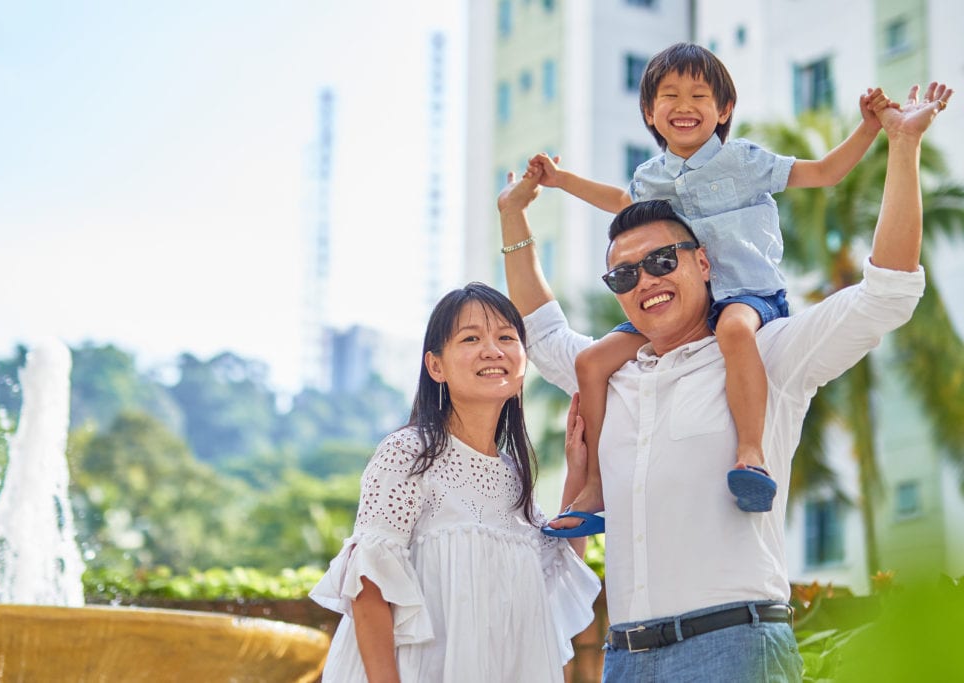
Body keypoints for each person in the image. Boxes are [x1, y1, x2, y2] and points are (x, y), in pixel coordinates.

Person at [497, 83, 951, 681]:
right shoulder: (616, 374)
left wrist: (901, 145)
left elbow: (885, 293)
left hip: (734, 649)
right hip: (625, 658)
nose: (645, 281)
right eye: (624, 275)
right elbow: (543, 333)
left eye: (663, 261)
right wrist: (513, 213)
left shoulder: (767, 354)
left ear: (703, 262)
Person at [527, 43, 893, 530]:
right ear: (649, 113)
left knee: (735, 333)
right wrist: (561, 179)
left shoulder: (745, 160)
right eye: (670, 95)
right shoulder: (649, 177)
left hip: (747, 295)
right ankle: (594, 485)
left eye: (699, 95)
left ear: (723, 110)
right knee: (590, 362)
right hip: (680, 305)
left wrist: (870, 126)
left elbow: (826, 172)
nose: (684, 106)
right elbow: (620, 200)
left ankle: (750, 455)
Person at [309, 282, 602, 683]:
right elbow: (369, 587)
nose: (492, 350)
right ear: (436, 366)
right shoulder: (408, 453)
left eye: (506, 337)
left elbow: (553, 578)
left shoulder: (515, 476)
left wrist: (579, 472)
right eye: (471, 338)